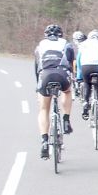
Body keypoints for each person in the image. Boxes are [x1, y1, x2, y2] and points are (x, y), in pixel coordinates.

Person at [33, 24, 75, 159]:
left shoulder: (40, 46)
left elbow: (37, 67)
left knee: (44, 108)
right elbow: (71, 63)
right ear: (60, 35)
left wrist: (37, 86)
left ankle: (45, 141)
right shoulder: (66, 44)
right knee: (67, 91)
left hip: (45, 75)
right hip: (62, 75)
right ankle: (66, 120)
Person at [76, 30, 98, 120]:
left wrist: (79, 77)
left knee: (87, 83)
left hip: (86, 66)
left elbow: (78, 60)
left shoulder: (84, 44)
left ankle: (85, 102)